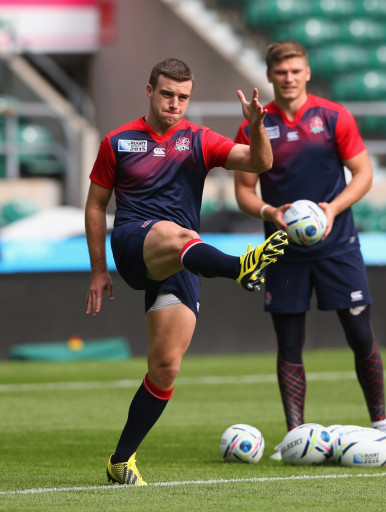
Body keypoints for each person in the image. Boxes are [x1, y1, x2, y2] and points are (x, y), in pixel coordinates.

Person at [84, 58, 288, 485]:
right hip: (135, 243)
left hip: (184, 258)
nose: (175, 104)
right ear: (149, 91)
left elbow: (259, 164)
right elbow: (96, 205)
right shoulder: (118, 142)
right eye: (166, 94)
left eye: (183, 97)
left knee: (165, 367)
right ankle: (240, 268)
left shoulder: (198, 139)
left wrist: (256, 127)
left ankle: (121, 460)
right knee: (178, 236)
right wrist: (99, 270)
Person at [233, 41, 386, 456]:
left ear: (307, 73)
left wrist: (332, 210)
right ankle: (296, 435)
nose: (288, 78)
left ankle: (382, 424)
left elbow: (363, 173)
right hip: (282, 248)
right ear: (269, 75)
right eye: (281, 72)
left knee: (360, 335)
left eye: (296, 70)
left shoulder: (333, 115)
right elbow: (244, 192)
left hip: (338, 245)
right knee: (289, 341)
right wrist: (271, 211)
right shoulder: (255, 125)